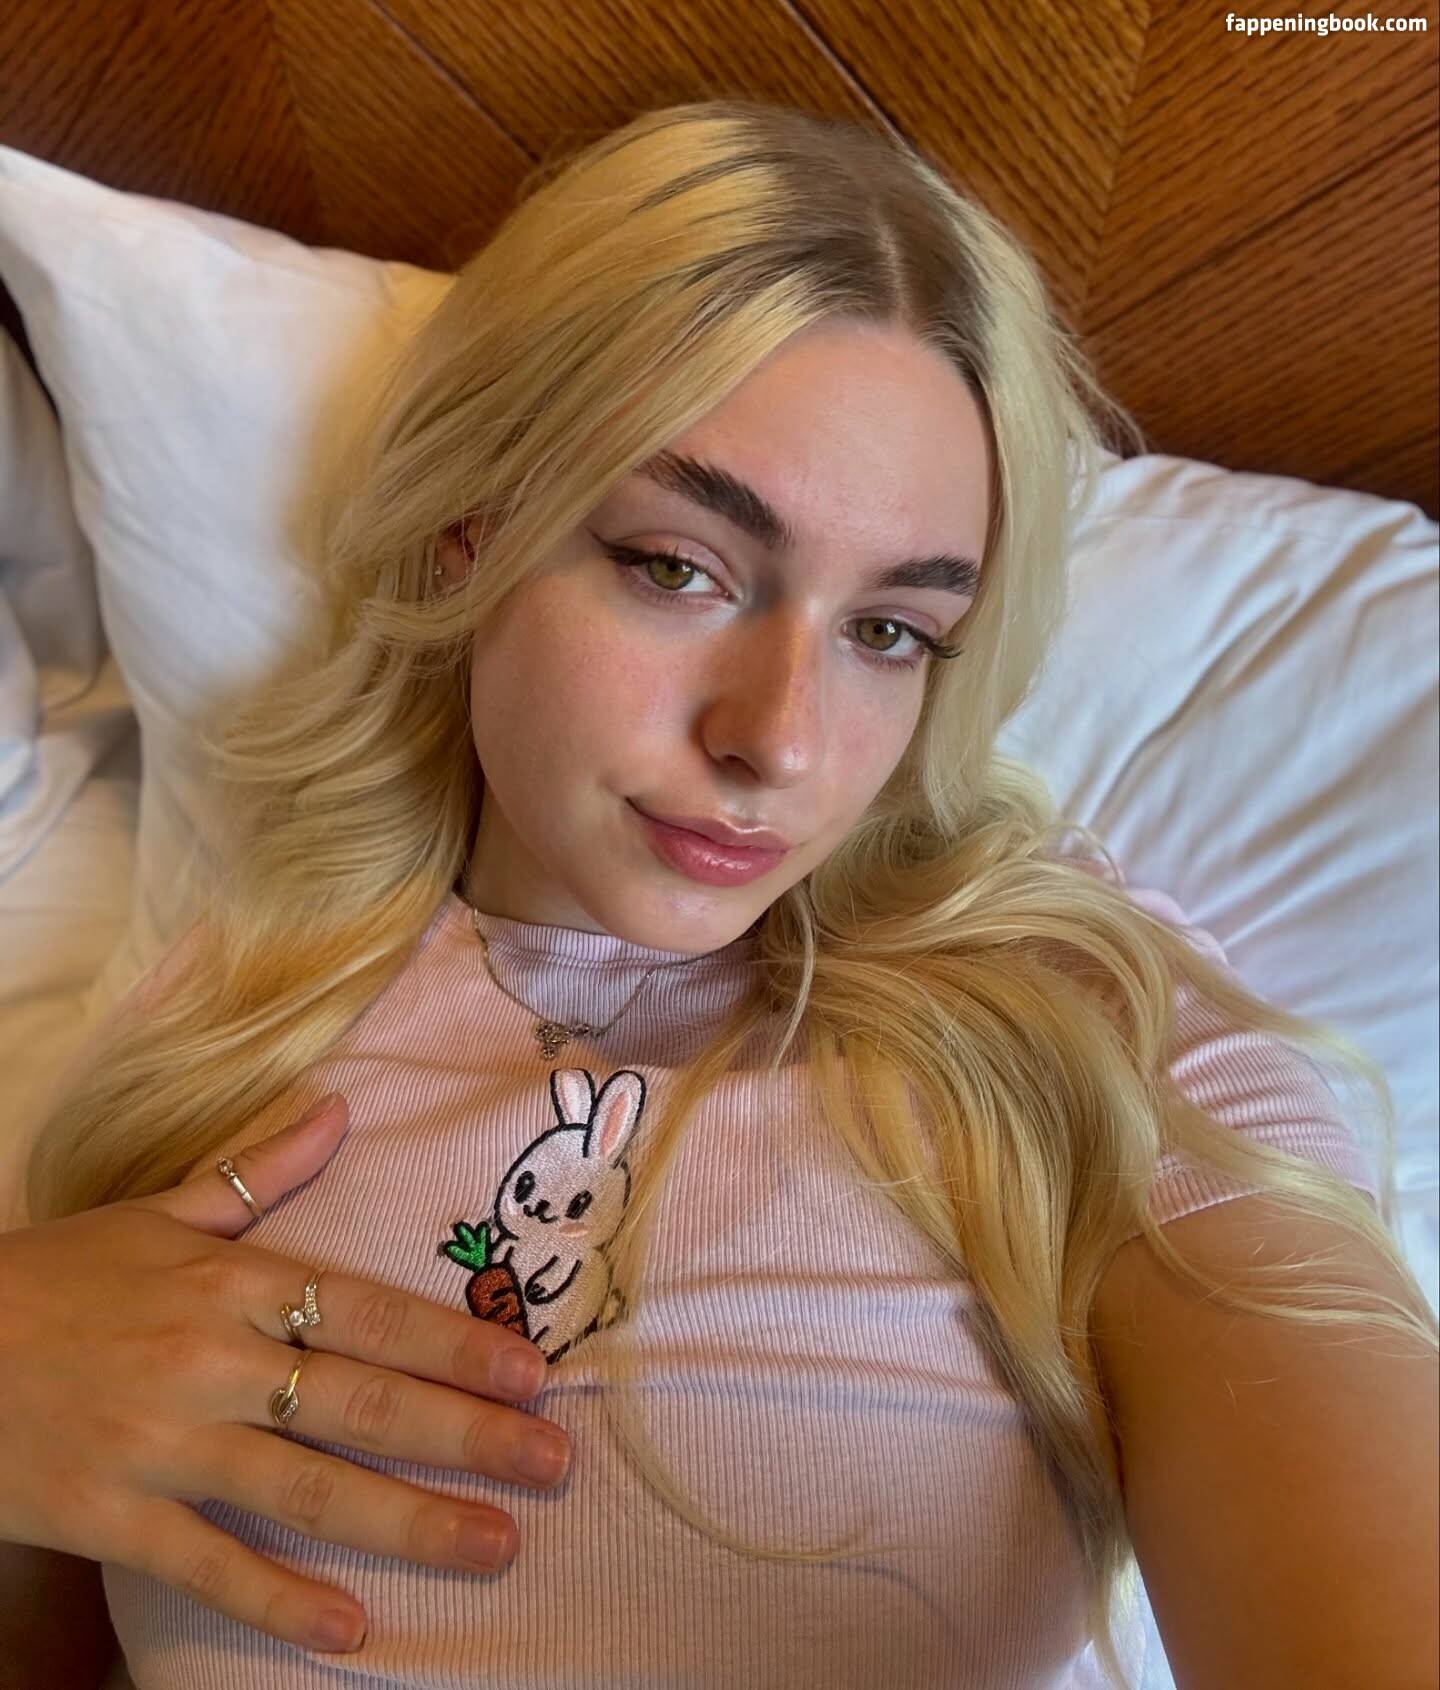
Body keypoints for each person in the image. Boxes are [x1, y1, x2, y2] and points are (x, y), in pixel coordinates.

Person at [2, 98, 1435, 1690]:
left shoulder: (1081, 1039)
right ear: (471, 531)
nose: (781, 740)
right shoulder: (222, 1022)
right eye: (679, 566)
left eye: (889, 631)